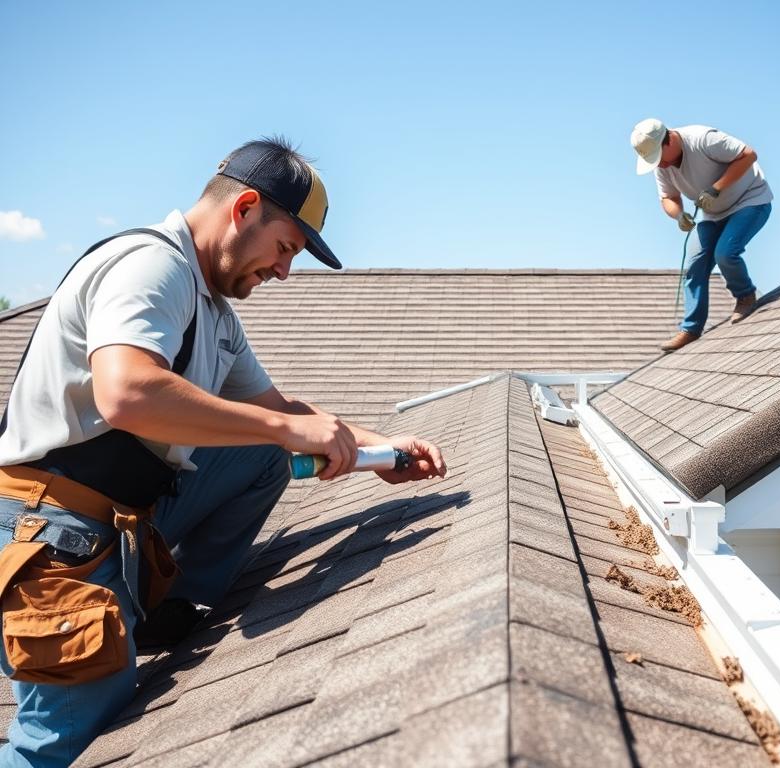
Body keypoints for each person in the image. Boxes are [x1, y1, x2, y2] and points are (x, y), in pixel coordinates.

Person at [0, 137, 446, 766]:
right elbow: (126, 391)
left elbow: (283, 413)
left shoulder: (214, 310)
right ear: (243, 208)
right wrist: (281, 430)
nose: (285, 271)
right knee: (60, 744)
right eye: (285, 248)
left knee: (263, 448)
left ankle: (173, 608)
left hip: (119, 520)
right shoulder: (150, 267)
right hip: (49, 532)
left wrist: (382, 448)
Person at [630, 118, 774, 351]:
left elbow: (748, 155)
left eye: (659, 158)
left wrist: (716, 188)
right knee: (694, 265)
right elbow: (668, 198)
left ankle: (745, 295)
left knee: (725, 254)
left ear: (668, 142)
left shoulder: (702, 139)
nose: (660, 166)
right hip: (712, 214)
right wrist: (678, 215)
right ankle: (691, 329)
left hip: (750, 200)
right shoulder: (662, 166)